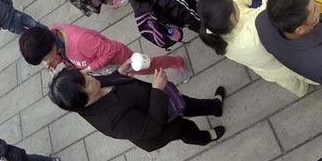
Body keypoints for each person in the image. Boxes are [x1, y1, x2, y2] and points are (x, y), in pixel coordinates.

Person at [197, 0, 316, 96]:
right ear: (233, 16)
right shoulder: (253, 34)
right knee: (298, 75)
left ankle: (302, 91)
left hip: (266, 69)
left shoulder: (216, 28)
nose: (233, 0)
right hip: (281, 64)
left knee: (291, 83)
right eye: (232, 3)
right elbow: (273, 1)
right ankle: (311, 85)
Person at [48, 67, 227, 150]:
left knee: (188, 103)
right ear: (83, 101)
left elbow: (109, 84)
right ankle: (206, 137)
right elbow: (151, 127)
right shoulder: (113, 122)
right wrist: (158, 90)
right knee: (185, 128)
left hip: (157, 101)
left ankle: (215, 107)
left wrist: (120, 73)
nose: (89, 76)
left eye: (83, 74)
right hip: (161, 126)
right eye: (86, 82)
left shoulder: (91, 90)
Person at [19, 22, 187, 79]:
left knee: (147, 68)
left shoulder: (81, 41)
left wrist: (87, 69)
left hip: (120, 59)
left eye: (45, 57)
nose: (46, 60)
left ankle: (176, 62)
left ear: (50, 47)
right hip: (106, 69)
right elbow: (64, 54)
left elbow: (111, 50)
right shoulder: (53, 33)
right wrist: (57, 60)